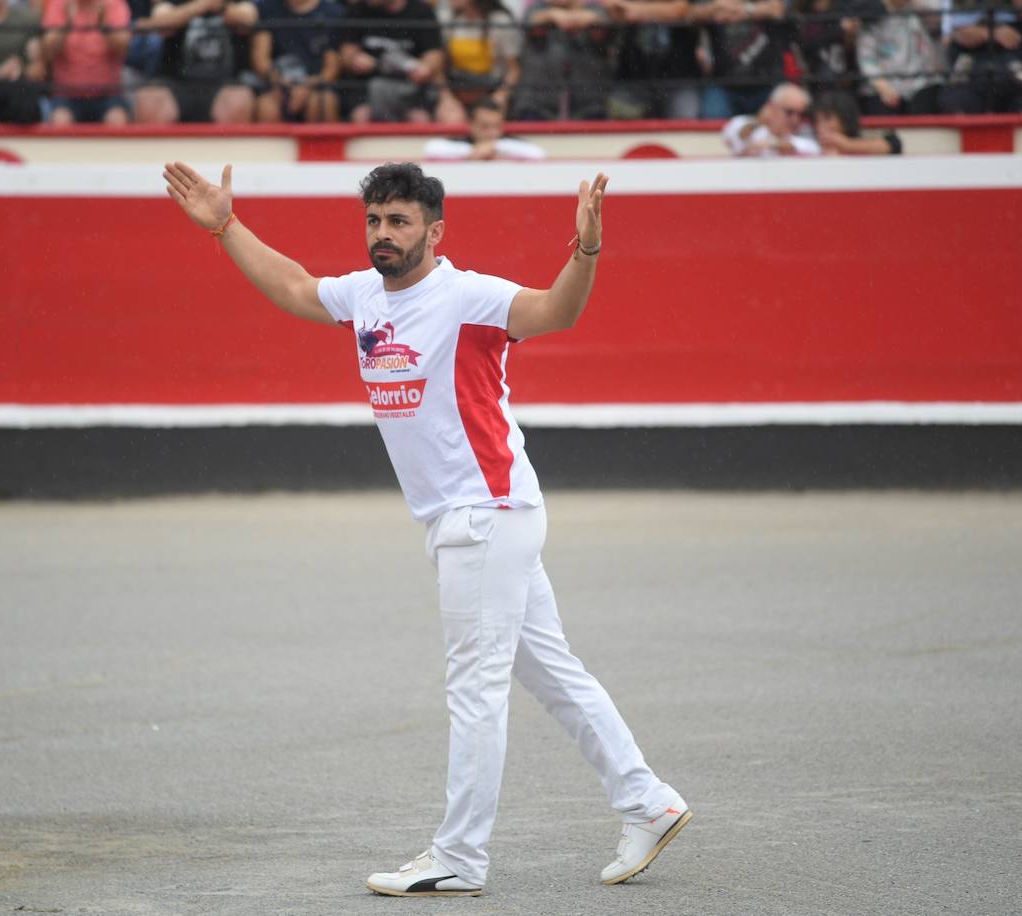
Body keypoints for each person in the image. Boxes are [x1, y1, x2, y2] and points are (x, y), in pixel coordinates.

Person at [160, 158, 690, 897]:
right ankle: (649, 801)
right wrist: (224, 225)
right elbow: (290, 286)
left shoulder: (469, 296)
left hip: (484, 513)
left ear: (434, 232)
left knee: (475, 689)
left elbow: (556, 312)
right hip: (480, 514)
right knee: (552, 673)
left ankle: (460, 857)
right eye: (375, 220)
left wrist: (586, 250)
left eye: (399, 221)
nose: (384, 233)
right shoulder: (363, 295)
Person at [132, 0, 258, 124]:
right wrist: (201, 5)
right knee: (149, 100)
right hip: (176, 81)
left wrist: (221, 7)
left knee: (239, 99)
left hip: (225, 82)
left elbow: (249, 20)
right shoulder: (174, 2)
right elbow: (160, 23)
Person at [337, 0, 458, 123]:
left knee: (421, 118)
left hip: (409, 86)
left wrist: (425, 68)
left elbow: (434, 56)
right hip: (367, 86)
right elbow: (346, 54)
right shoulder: (358, 9)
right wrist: (354, 59)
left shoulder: (421, 11)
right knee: (361, 115)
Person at [939, 0, 1022, 113]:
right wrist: (990, 33)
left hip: (1019, 55)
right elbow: (948, 39)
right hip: (975, 54)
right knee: (953, 102)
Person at [508, 0, 614, 120]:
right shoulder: (537, 7)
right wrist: (551, 15)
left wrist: (581, 17)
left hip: (589, 103)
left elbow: (603, 26)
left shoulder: (594, 8)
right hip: (536, 103)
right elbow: (532, 23)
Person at [41, 0, 133, 125]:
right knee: (60, 121)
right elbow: (48, 52)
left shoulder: (114, 4)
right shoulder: (59, 4)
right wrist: (66, 26)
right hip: (66, 96)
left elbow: (124, 49)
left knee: (117, 120)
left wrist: (104, 25)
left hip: (108, 95)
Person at [698, 0, 791, 119]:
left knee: (787, 112)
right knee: (712, 117)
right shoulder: (719, 5)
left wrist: (747, 10)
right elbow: (691, 13)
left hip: (768, 84)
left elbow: (779, 9)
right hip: (724, 85)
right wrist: (715, 8)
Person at [251, 0, 342, 123]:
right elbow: (261, 60)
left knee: (323, 102)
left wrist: (307, 86)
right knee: (266, 107)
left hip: (316, 85)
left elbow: (332, 68)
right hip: (277, 84)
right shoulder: (266, 8)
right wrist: (279, 82)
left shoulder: (332, 12)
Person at [855, 0, 944, 115]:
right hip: (883, 85)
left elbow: (938, 24)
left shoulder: (918, 9)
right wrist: (882, 86)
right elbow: (866, 59)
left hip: (921, 83)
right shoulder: (872, 13)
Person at [423, 94, 546, 158]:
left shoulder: (506, 143)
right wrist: (473, 152)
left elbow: (538, 153)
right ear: (471, 125)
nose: (492, 132)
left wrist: (495, 146)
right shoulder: (461, 143)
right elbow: (431, 148)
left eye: (496, 126)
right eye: (485, 126)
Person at [721, 80, 821, 155]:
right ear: (772, 107)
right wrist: (758, 121)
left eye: (801, 114)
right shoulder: (745, 123)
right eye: (789, 112)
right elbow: (733, 134)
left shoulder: (806, 132)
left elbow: (814, 148)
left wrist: (773, 144)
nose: (795, 119)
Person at [812, 88, 901, 153]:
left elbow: (894, 145)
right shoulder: (810, 146)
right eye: (817, 121)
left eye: (827, 118)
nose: (820, 126)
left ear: (845, 119)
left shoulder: (861, 143)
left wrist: (848, 145)